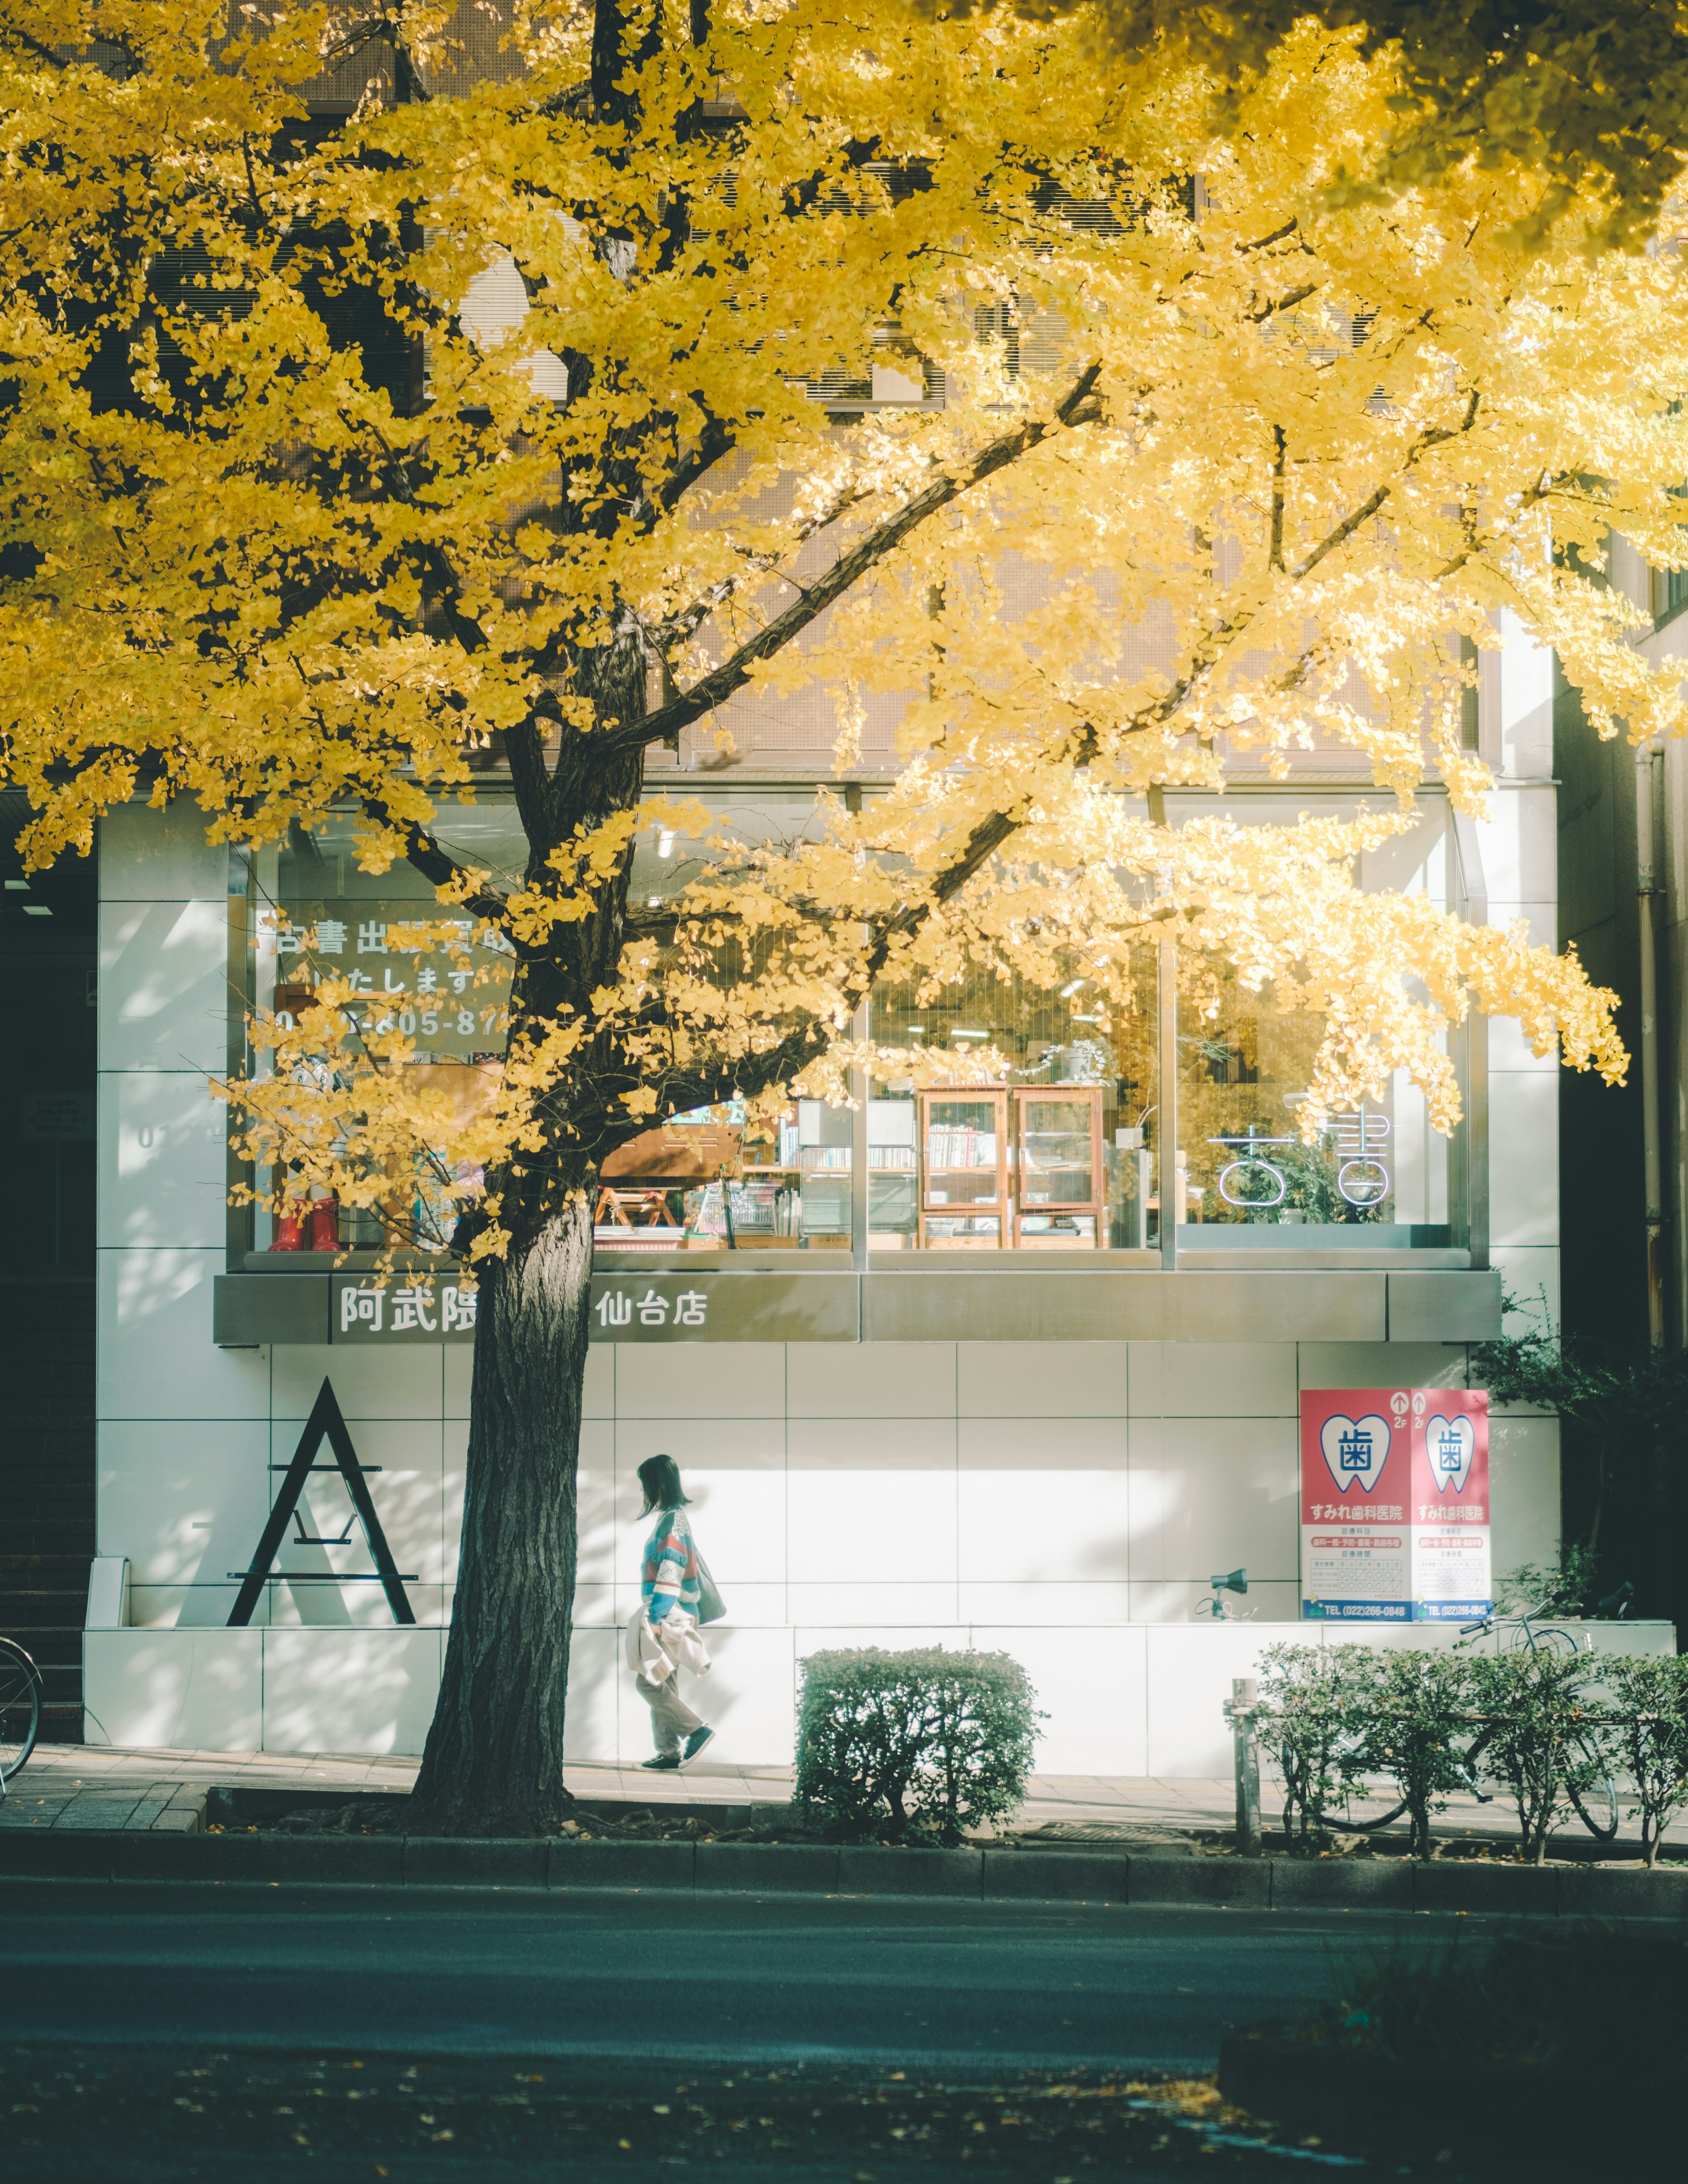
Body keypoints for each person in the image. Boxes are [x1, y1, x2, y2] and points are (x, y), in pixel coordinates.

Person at [628, 1453, 715, 1771]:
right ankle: (668, 1752)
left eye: (644, 1484)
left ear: (656, 1483)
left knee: (649, 1682)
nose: (642, 1491)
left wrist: (657, 1618)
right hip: (669, 1610)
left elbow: (671, 1569)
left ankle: (696, 1730)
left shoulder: (673, 1520)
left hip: (668, 1611)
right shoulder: (671, 1518)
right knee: (663, 1678)